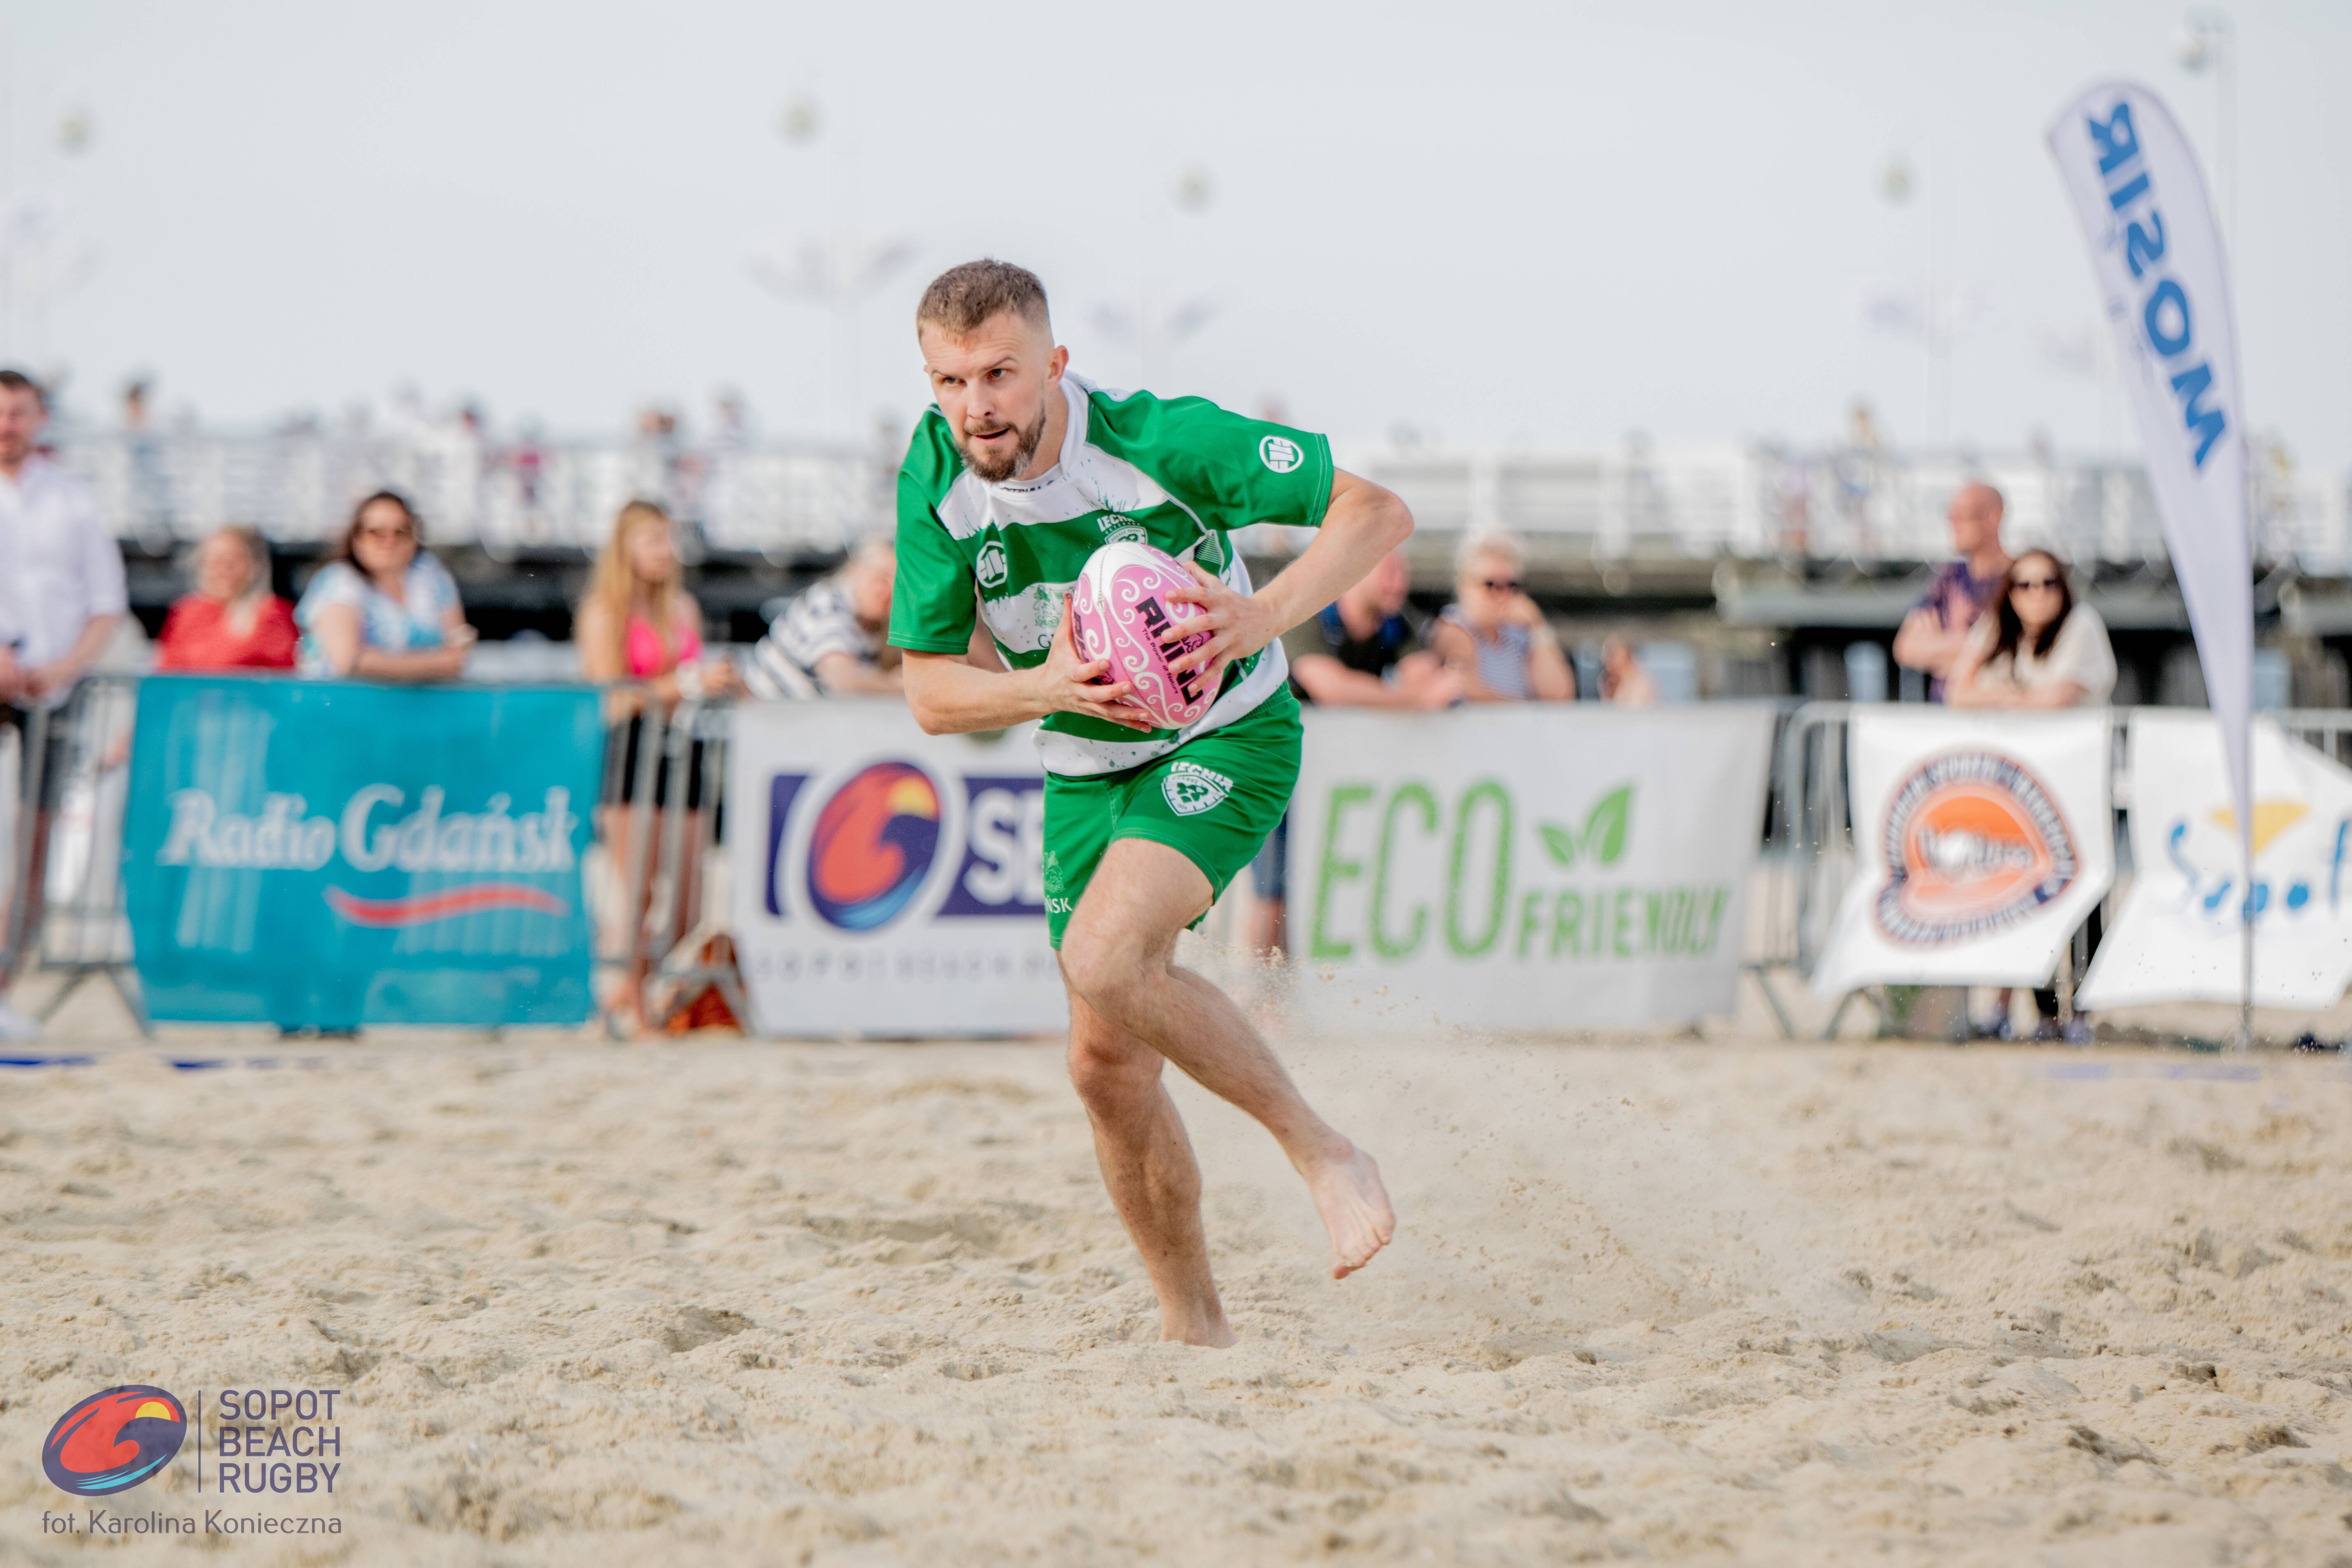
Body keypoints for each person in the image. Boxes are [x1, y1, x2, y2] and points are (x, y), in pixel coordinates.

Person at [890, 260, 1400, 1343]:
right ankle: (1193, 1326)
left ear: (1054, 364)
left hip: (1227, 730)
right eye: (949, 380)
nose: (976, 406)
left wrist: (1261, 615)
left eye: (999, 374)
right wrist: (1044, 688)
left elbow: (1374, 512)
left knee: (1109, 958)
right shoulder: (934, 474)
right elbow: (930, 693)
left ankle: (1323, 1147)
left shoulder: (1159, 441)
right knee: (1103, 1064)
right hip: (1083, 760)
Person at [575, 500, 742, 1035]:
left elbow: (683, 681)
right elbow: (613, 697)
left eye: (666, 539)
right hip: (630, 753)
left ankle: (628, 994)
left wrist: (713, 686)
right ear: (624, 547)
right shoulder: (604, 610)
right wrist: (685, 685)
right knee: (638, 892)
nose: (663, 550)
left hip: (683, 747)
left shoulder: (682, 608)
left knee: (691, 899)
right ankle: (632, 1006)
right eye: (651, 539)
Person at [1246, 549, 1462, 952]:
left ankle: (1291, 987)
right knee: (1271, 883)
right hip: (1265, 755)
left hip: (1330, 768)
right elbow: (1329, 686)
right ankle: (1257, 989)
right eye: (1389, 573)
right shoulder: (1309, 612)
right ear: (1357, 571)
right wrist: (1413, 701)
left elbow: (1428, 681)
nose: (1398, 584)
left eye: (1402, 574)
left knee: (1312, 877)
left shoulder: (1396, 623)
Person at [0, 368, 127, 1040]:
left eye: (17, 413)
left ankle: (4, 986)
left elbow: (107, 604)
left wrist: (63, 668)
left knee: (35, 844)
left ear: (40, 418)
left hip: (58, 692)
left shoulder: (74, 501)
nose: (6, 425)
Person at [1948, 548, 2116, 1042]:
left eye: (2046, 583)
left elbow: (2054, 701)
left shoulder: (2081, 627)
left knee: (2083, 899)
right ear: (2010, 591)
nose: (2036, 593)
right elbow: (1958, 691)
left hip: (2077, 788)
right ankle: (2037, 1011)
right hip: (2023, 794)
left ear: (2062, 588)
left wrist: (2000, 695)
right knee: (2024, 893)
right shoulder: (1998, 629)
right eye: (2024, 584)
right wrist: (2020, 699)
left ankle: (2081, 1010)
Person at [295, 491, 474, 680]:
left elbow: (459, 650)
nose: (389, 542)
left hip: (419, 707)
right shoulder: (340, 582)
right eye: (376, 533)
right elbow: (349, 662)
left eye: (401, 532)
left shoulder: (431, 575)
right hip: (343, 704)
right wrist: (438, 663)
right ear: (356, 539)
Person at [743, 537, 904, 698]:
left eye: (899, 585)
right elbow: (843, 681)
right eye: (881, 578)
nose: (889, 590)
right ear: (854, 569)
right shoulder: (825, 605)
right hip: (762, 712)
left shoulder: (875, 620)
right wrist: (903, 687)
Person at [1893, 481, 2010, 701]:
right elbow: (1906, 648)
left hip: (1995, 716)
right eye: (1950, 516)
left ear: (1993, 518)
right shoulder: (1949, 576)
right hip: (1946, 717)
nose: (1953, 525)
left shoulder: (2021, 580)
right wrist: (1978, 651)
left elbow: (2014, 651)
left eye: (1962, 516)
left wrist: (1940, 648)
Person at [1429, 533, 1574, 701]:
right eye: (1491, 585)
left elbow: (1559, 695)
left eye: (1512, 585)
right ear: (1464, 585)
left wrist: (1538, 626)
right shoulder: (1454, 627)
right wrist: (1529, 714)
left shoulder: (1519, 634)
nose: (1503, 595)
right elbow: (1467, 690)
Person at [154, 527, 297, 672]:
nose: (220, 571)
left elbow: (282, 673)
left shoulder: (274, 614)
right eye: (212, 562)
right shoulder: (187, 613)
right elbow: (168, 669)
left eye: (230, 562)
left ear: (255, 565)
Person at [1599, 637, 1658, 707]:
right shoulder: (1609, 681)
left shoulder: (1641, 685)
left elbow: (1634, 713)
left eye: (1613, 654)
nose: (1608, 663)